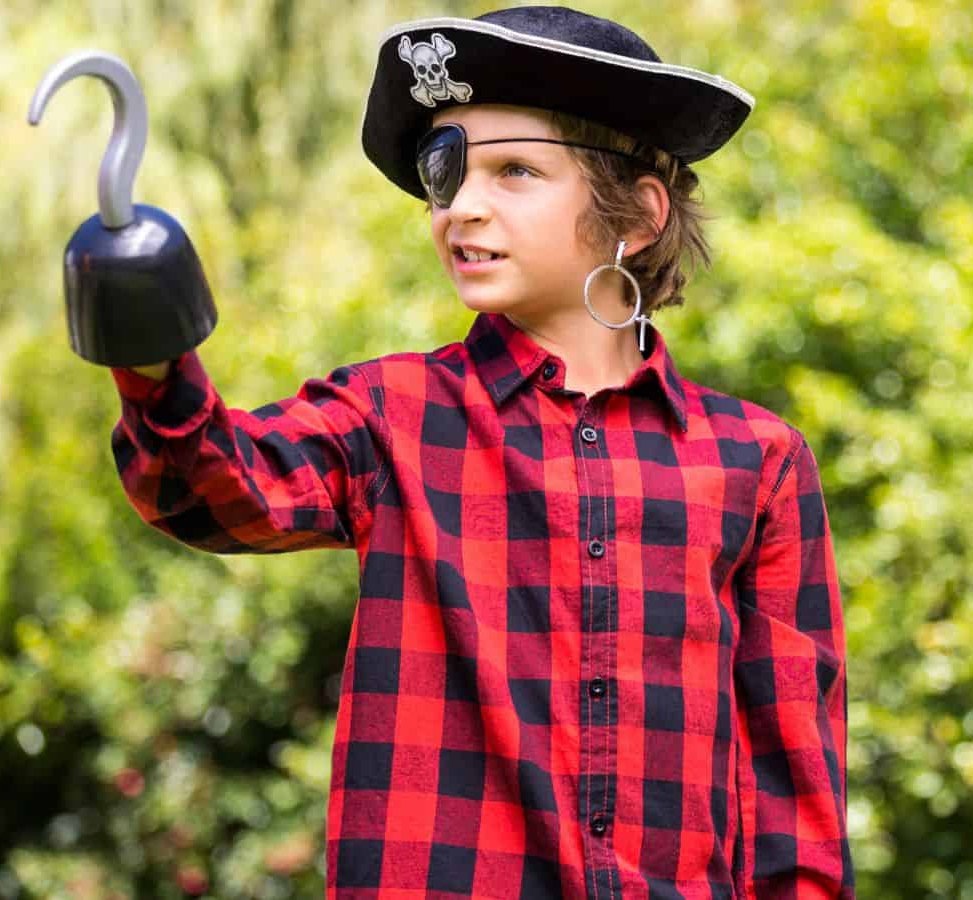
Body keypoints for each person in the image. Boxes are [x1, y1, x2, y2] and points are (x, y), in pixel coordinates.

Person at [109, 6, 851, 897]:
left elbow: (793, 797)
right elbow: (211, 486)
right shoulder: (391, 415)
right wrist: (149, 348)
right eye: (445, 171)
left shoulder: (757, 463)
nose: (460, 206)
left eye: (515, 171)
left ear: (638, 213)